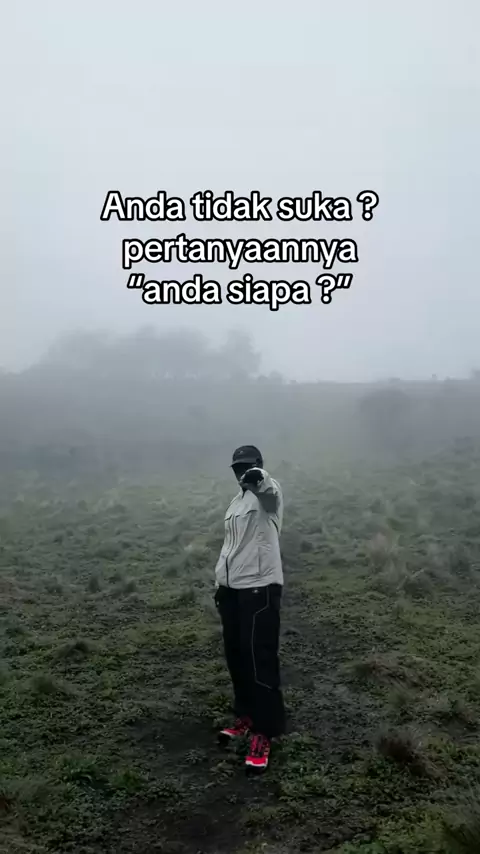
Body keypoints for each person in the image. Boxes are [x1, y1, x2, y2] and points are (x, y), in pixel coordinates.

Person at [214, 445, 285, 773]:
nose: (241, 473)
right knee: (238, 656)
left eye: (246, 467)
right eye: (237, 468)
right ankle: (246, 716)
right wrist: (220, 583)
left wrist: (260, 477)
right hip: (232, 591)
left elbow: (269, 492)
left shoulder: (266, 494)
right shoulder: (236, 502)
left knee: (260, 660)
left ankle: (264, 732)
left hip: (260, 588)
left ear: (257, 465)